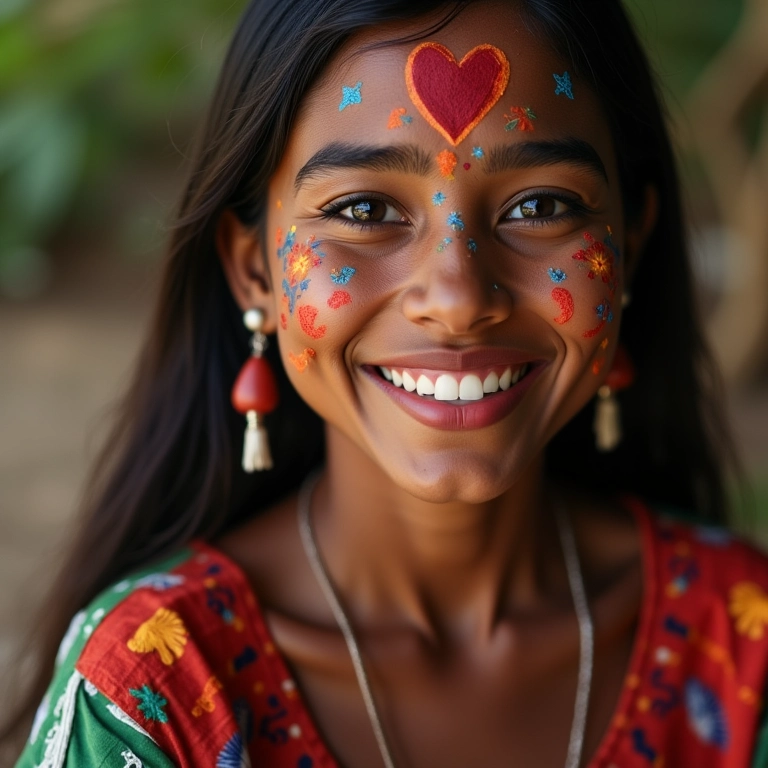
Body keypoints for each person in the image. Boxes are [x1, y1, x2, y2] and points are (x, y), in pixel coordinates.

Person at [5, 0, 768, 765]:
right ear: (254, 270)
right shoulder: (150, 693)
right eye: (365, 209)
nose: (459, 298)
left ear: (628, 246)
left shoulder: (747, 649)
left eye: (540, 206)